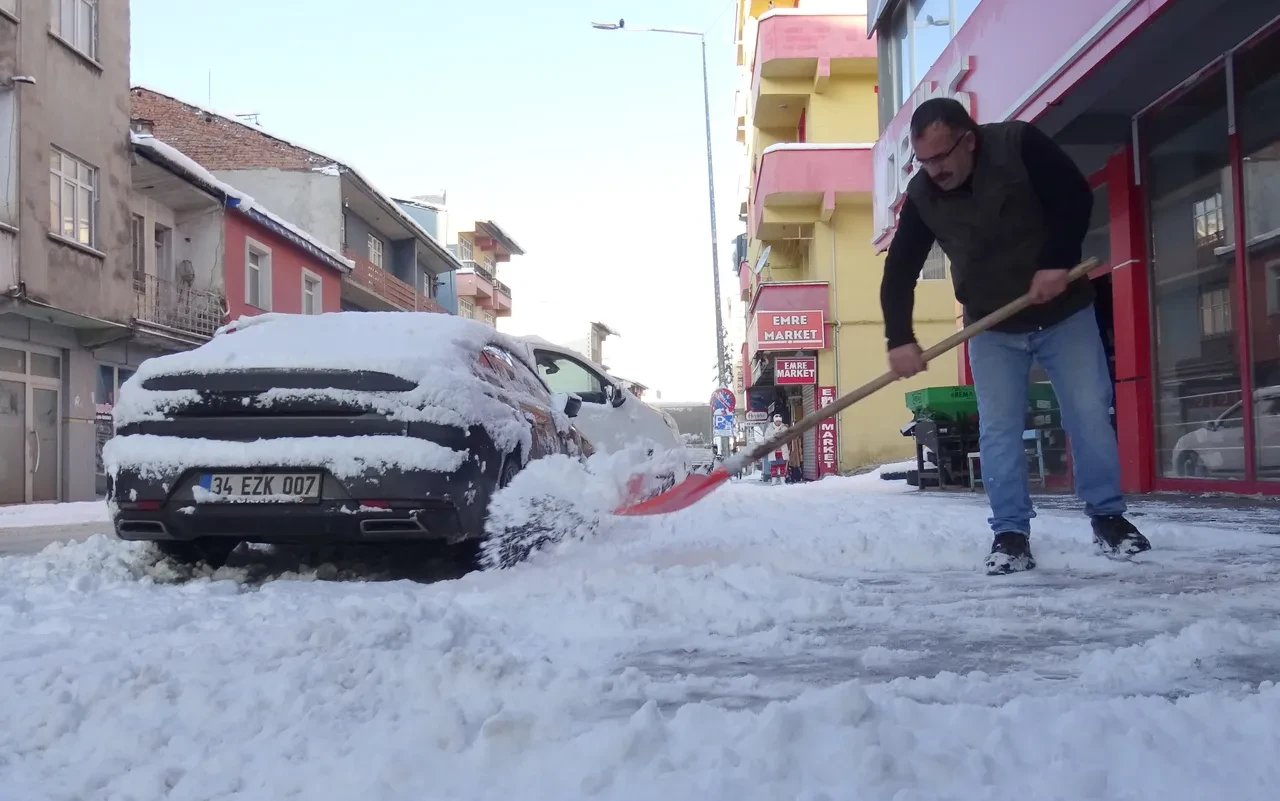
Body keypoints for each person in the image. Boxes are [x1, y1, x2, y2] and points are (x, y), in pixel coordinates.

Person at [879, 97, 1151, 575]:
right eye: (924, 161)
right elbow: (900, 269)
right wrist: (899, 337)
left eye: (941, 157)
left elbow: (1073, 197)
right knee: (999, 429)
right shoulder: (924, 196)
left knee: (1088, 412)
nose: (934, 170)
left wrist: (1056, 261)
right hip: (992, 325)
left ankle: (1108, 518)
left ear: (969, 140)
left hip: (1064, 313)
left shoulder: (1019, 144)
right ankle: (1010, 533)